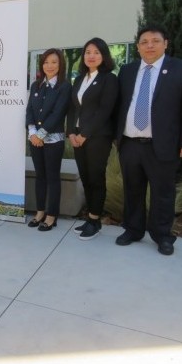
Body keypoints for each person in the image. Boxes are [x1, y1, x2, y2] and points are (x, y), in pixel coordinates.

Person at [115, 24, 182, 256]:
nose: (150, 45)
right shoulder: (127, 70)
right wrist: (116, 137)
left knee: (163, 193)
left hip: (163, 145)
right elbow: (120, 104)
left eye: (155, 41)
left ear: (165, 44)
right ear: (138, 47)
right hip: (130, 143)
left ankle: (162, 235)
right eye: (144, 42)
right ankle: (133, 230)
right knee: (132, 190)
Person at [66, 38, 119, 240]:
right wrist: (71, 133)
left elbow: (105, 111)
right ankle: (90, 217)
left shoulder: (109, 79)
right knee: (86, 178)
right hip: (78, 136)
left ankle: (95, 220)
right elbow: (73, 108)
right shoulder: (79, 79)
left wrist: (84, 134)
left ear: (104, 55)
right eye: (88, 52)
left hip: (97, 137)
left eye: (96, 52)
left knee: (96, 178)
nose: (91, 56)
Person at [25, 48, 72, 231]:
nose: (49, 66)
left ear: (60, 65)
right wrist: (32, 132)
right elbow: (30, 110)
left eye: (54, 62)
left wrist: (41, 134)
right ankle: (39, 212)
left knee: (52, 177)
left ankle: (52, 215)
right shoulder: (36, 85)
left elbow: (57, 113)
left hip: (53, 140)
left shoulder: (64, 86)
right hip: (35, 139)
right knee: (40, 176)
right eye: (46, 62)